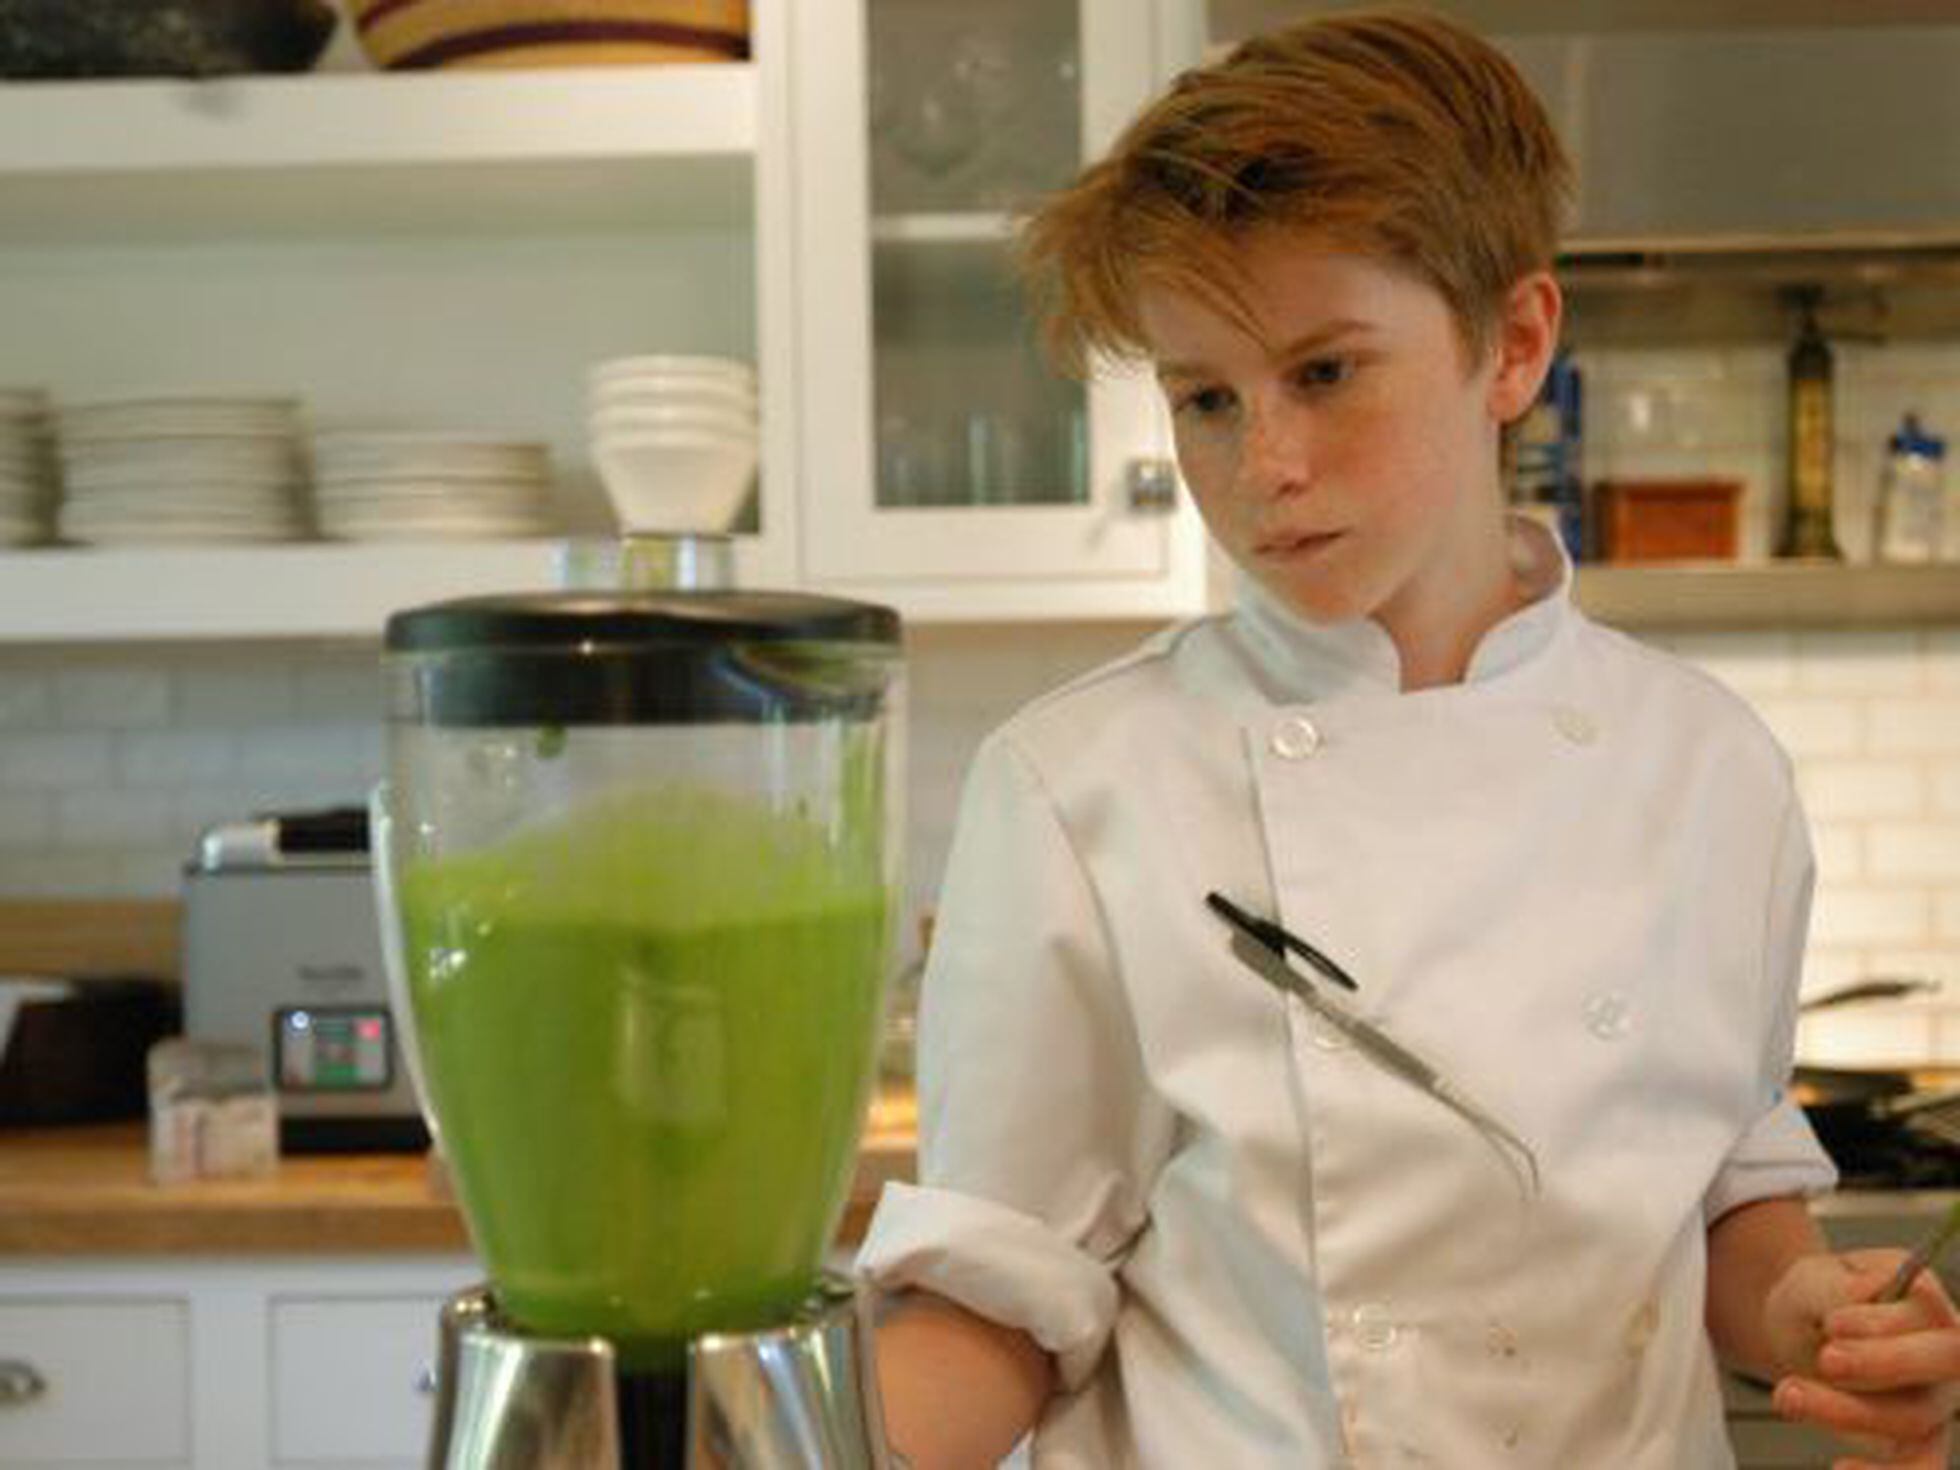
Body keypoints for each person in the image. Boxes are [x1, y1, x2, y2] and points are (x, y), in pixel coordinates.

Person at [855, 11, 1960, 1468]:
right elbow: (1002, 1285)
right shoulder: (1078, 784)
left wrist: (1818, 1309)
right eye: (1205, 399)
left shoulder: (1710, 767)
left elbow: (1721, 1196)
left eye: (1325, 372)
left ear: (1513, 345)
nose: (1266, 469)